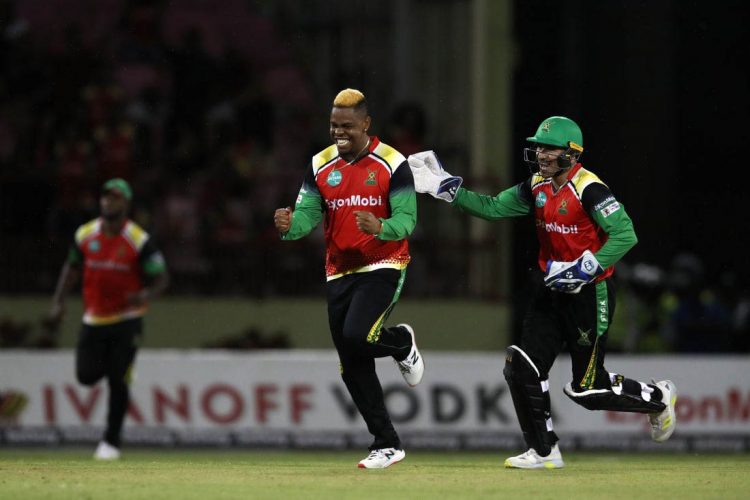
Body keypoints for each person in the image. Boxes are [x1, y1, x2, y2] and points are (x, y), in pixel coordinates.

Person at [408, 116, 677, 469]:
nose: (542, 155)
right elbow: (491, 208)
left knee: (587, 389)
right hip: (551, 291)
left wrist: (587, 267)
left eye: (549, 149)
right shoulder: (536, 185)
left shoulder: (590, 189)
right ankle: (544, 451)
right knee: (520, 366)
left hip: (589, 295)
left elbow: (625, 235)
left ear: (572, 153)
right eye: (539, 148)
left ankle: (659, 397)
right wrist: (448, 190)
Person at [274, 88, 423, 469]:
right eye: (334, 126)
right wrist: (291, 226)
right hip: (338, 270)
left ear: (366, 124)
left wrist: (382, 226)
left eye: (348, 126)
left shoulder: (392, 163)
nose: (339, 133)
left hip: (384, 262)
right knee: (350, 362)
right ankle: (387, 444)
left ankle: (401, 341)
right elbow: (308, 213)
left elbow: (407, 220)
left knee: (360, 335)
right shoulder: (320, 164)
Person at [49, 178, 169, 460]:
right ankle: (117, 364)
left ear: (125, 203)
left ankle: (110, 443)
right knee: (86, 375)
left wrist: (145, 295)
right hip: (95, 318)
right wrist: (58, 301)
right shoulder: (85, 235)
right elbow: (72, 267)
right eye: (105, 196)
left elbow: (162, 278)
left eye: (114, 197)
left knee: (118, 381)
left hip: (127, 319)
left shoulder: (138, 239)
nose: (108, 201)